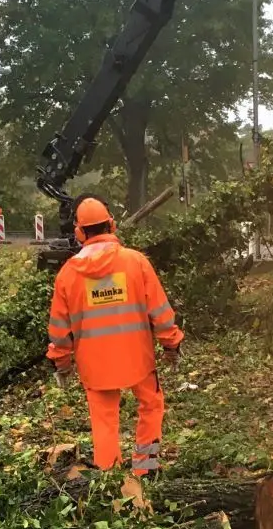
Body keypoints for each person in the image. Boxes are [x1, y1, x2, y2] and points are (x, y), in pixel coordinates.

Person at [46, 196, 183, 481]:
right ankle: (145, 468)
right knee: (151, 405)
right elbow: (160, 312)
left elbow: (59, 329)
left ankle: (109, 479)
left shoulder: (68, 274)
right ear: (112, 225)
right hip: (138, 360)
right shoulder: (136, 263)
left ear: (80, 232)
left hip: (95, 367)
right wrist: (171, 344)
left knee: (104, 421)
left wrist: (62, 364)